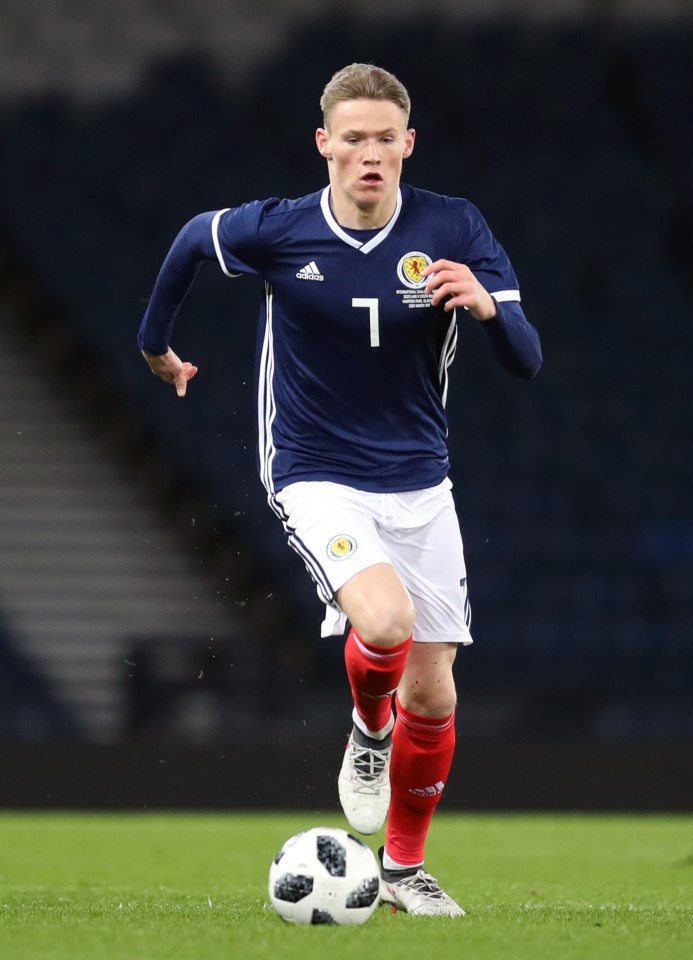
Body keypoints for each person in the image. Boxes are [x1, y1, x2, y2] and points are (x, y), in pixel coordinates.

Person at [138, 63, 542, 917]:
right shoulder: (279, 230)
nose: (368, 154)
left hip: (419, 482)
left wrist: (487, 309)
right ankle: (367, 734)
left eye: (383, 138)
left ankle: (402, 872)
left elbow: (526, 358)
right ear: (324, 144)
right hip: (313, 470)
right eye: (351, 138)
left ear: (407, 145)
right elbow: (186, 242)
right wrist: (155, 346)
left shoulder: (454, 227)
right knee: (385, 623)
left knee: (432, 691)